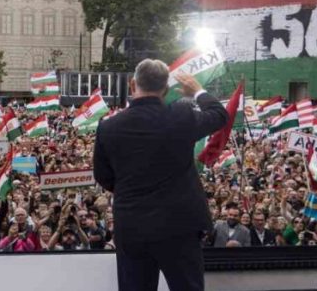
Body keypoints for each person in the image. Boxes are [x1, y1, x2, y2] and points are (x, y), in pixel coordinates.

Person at [93, 60, 228, 291]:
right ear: (166, 89)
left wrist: (132, 191)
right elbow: (219, 114)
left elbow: (103, 176)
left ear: (132, 84)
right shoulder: (181, 116)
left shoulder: (108, 127)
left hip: (132, 225)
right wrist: (198, 91)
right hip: (180, 226)